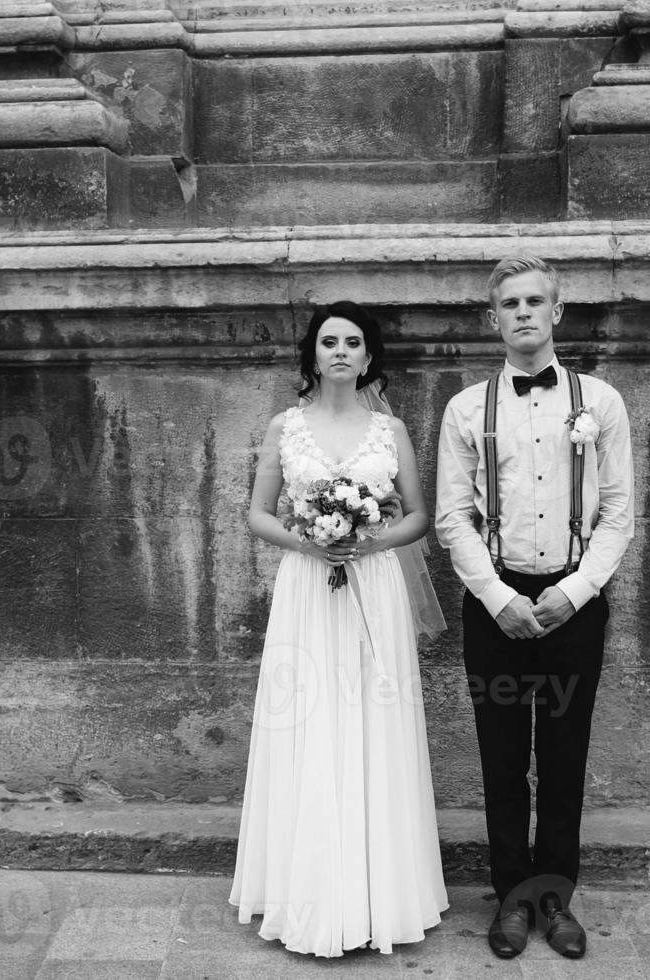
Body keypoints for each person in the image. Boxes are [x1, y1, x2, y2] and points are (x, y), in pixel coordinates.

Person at [230, 301, 449, 957]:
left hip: (372, 584)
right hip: (308, 588)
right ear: (313, 354)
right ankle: (306, 890)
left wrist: (370, 538)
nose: (341, 352)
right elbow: (257, 513)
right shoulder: (284, 428)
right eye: (329, 341)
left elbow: (418, 515)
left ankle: (382, 891)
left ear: (369, 356)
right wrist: (308, 541)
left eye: (354, 342)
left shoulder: (391, 432)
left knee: (373, 721)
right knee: (309, 719)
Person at [435, 255, 634, 960]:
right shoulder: (465, 409)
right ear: (493, 319)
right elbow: (453, 519)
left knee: (563, 752)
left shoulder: (601, 402)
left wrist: (574, 592)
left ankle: (556, 896)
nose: (522, 312)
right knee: (499, 755)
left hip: (574, 602)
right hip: (496, 604)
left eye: (534, 301)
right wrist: (495, 596)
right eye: (509, 303)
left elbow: (617, 514)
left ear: (557, 313)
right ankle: (512, 897)